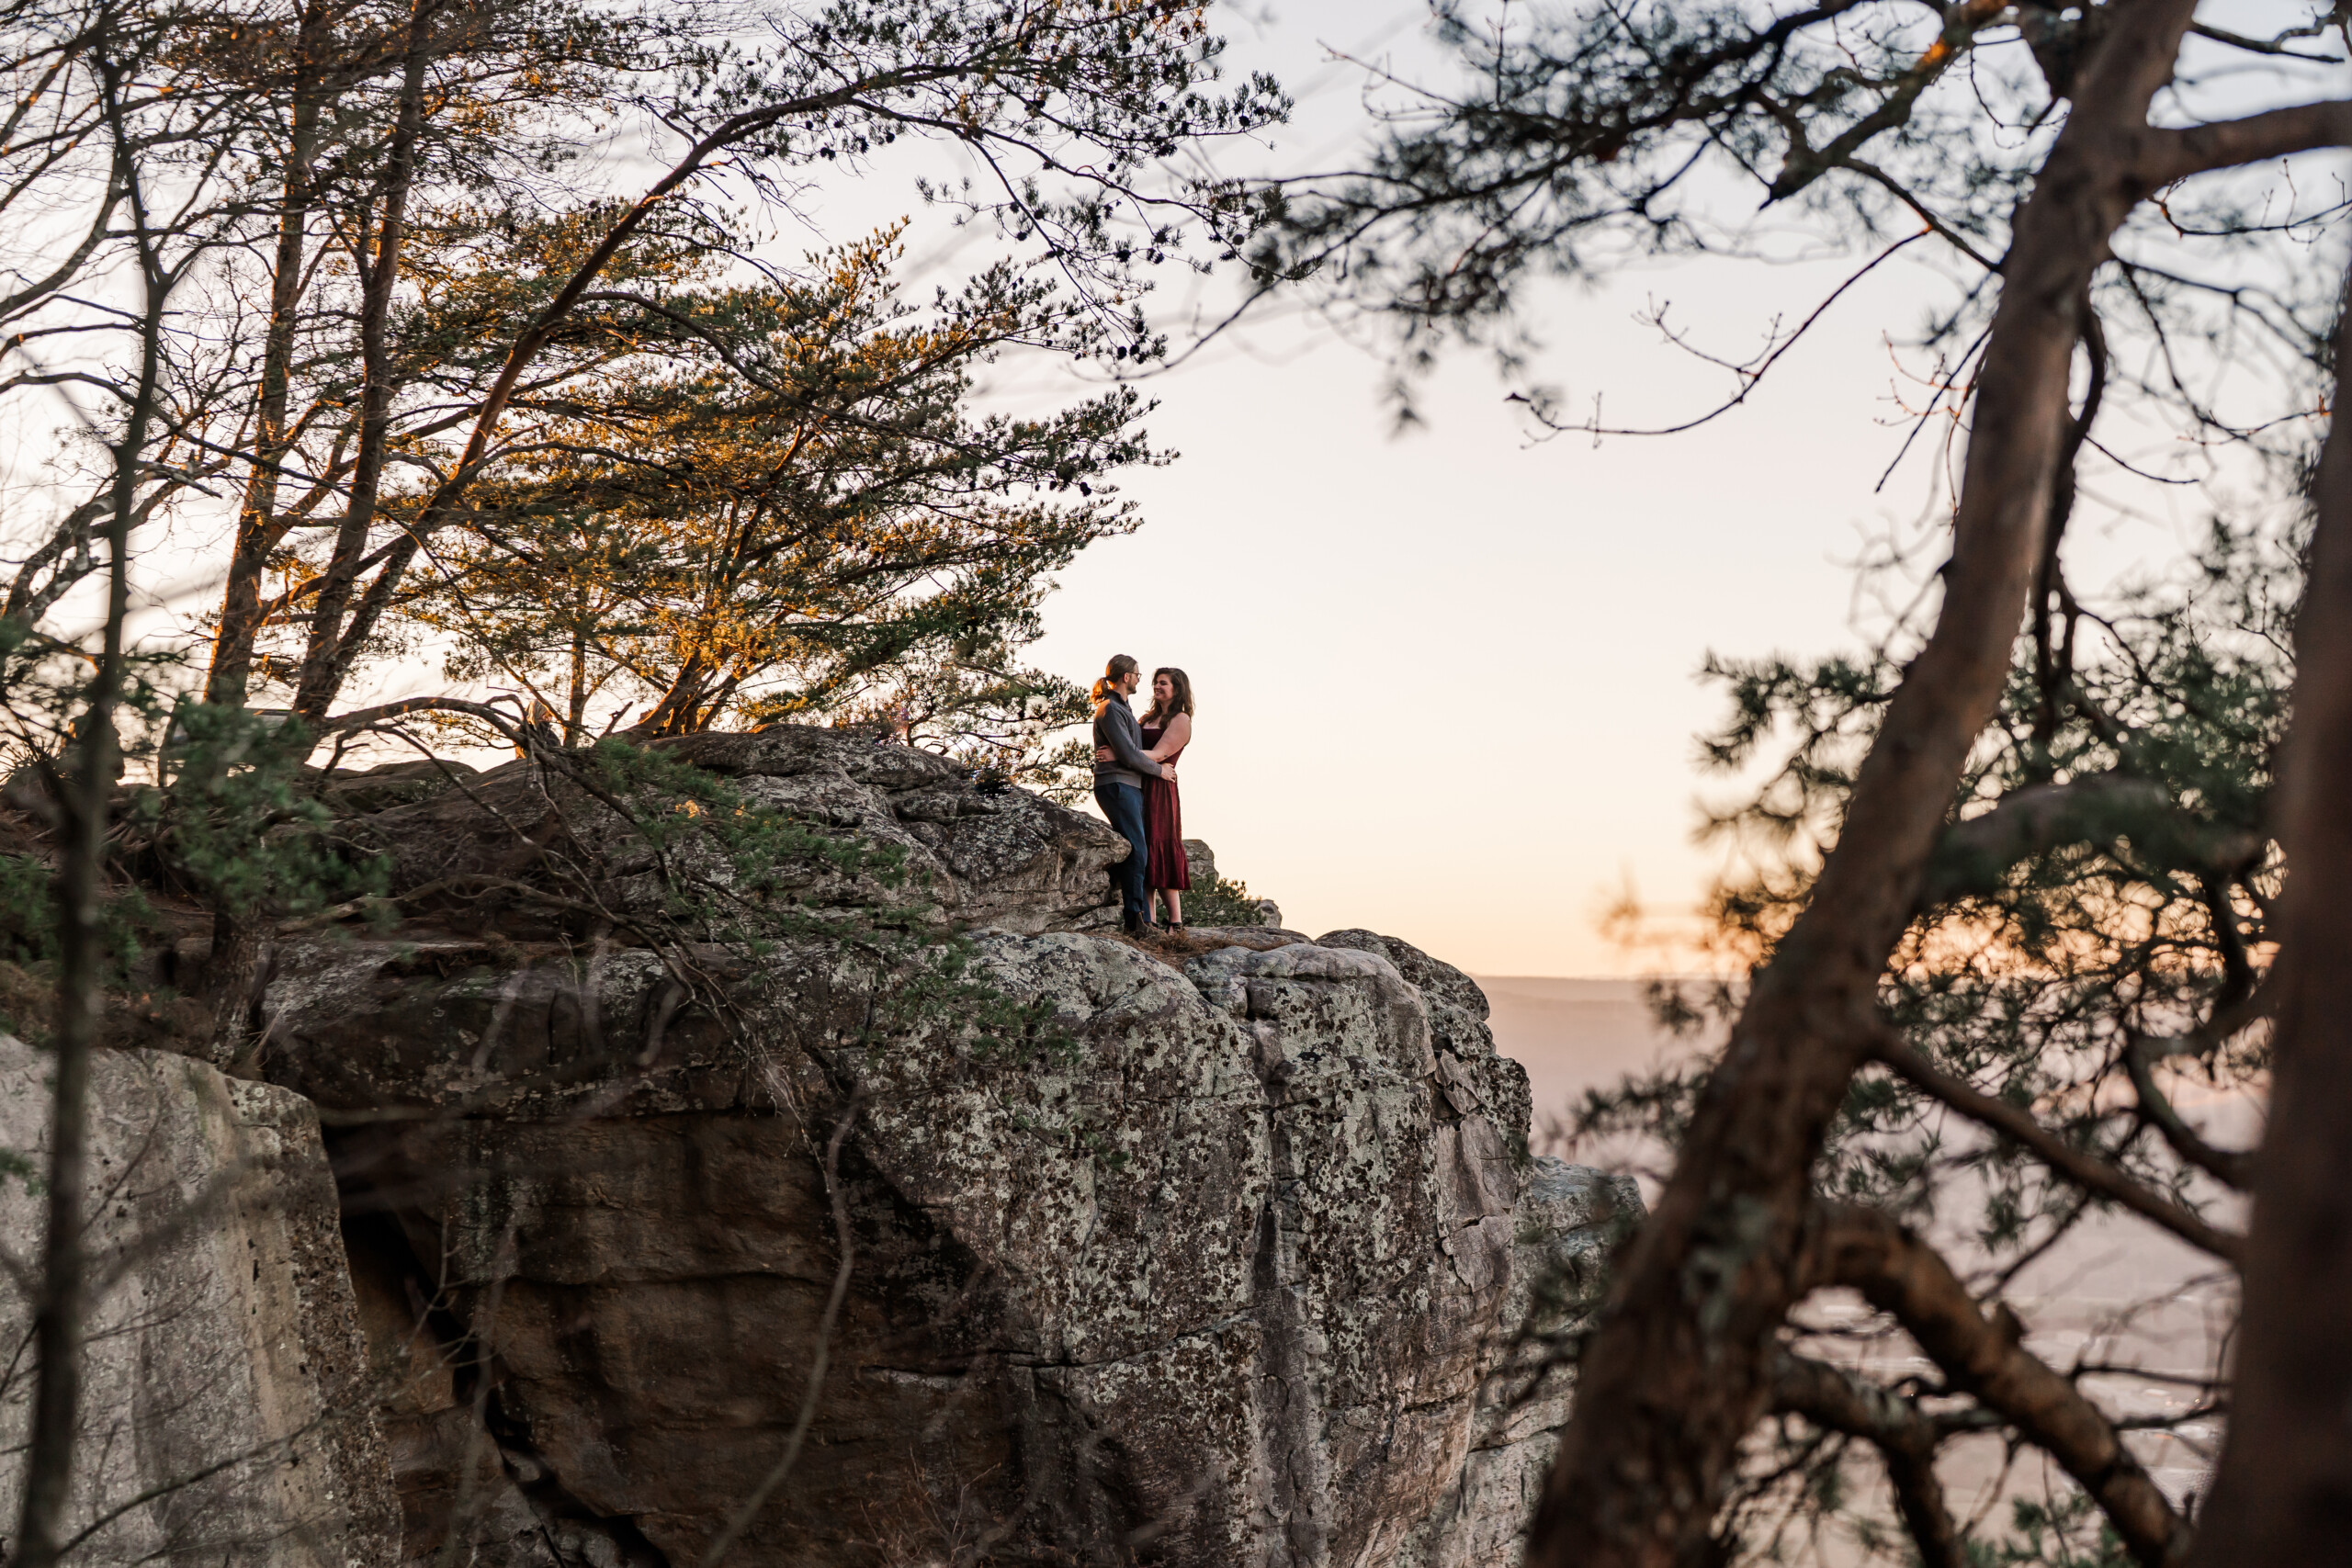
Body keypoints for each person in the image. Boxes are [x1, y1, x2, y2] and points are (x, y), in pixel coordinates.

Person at [1090, 654, 1175, 934]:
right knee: (1138, 849)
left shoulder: (1124, 709)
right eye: (1138, 675)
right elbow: (1128, 755)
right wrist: (1159, 771)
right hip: (1117, 784)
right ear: (1126, 677)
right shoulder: (1111, 709)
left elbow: (1127, 751)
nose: (1140, 679)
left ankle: (1133, 914)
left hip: (1130, 785)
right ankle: (1134, 919)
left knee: (1136, 848)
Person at [1136, 668, 1193, 930]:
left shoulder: (1181, 719)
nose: (1156, 687)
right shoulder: (1147, 717)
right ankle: (1150, 922)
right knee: (1143, 852)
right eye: (1155, 683)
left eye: (1163, 683)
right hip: (1139, 785)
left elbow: (1159, 754)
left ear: (1177, 689)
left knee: (1161, 847)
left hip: (1161, 788)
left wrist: (1120, 754)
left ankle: (1176, 923)